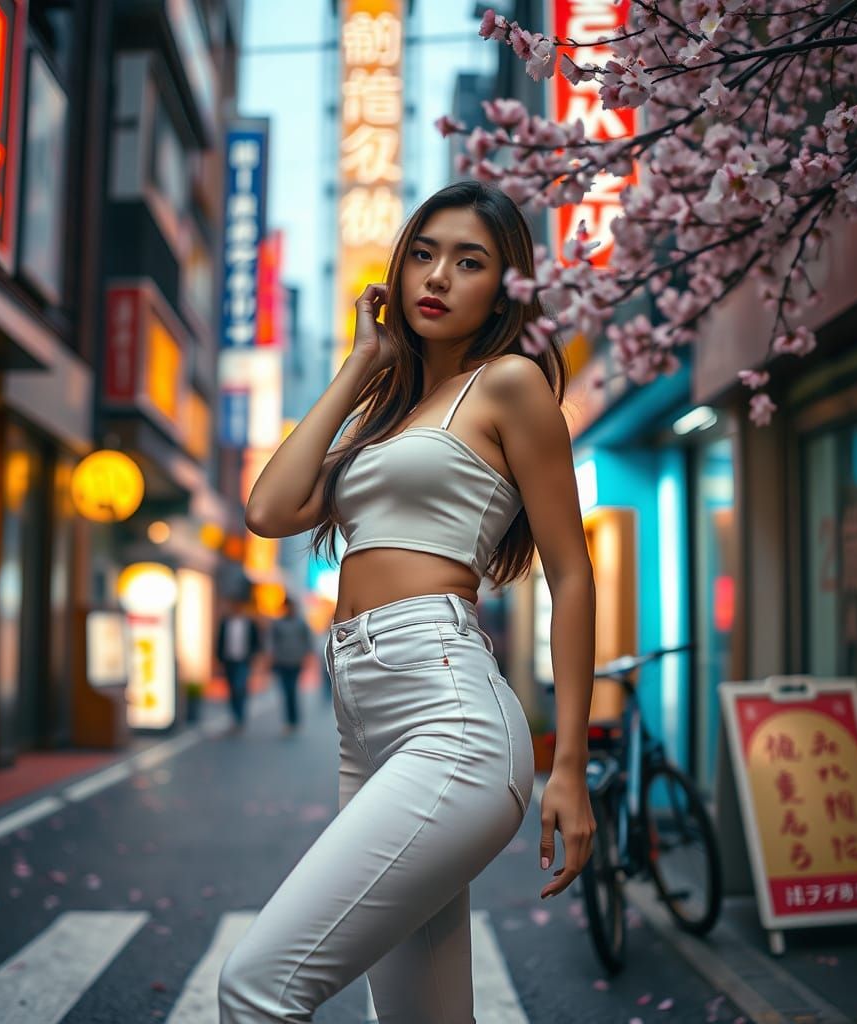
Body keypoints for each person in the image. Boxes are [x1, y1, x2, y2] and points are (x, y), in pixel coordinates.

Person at [218, 180, 597, 1023]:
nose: (437, 277)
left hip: (450, 714)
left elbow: (571, 573)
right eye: (423, 254)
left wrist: (566, 763)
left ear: (504, 288)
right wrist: (361, 365)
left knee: (256, 986)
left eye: (470, 262)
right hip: (366, 727)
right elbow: (270, 510)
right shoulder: (387, 415)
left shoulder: (508, 386)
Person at [215, 597, 264, 735]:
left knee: (239, 687)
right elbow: (220, 641)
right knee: (231, 689)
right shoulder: (225, 623)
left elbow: (256, 642)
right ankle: (235, 716)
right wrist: (219, 660)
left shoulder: (249, 623)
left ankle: (240, 717)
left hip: (244, 660)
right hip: (229, 660)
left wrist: (254, 657)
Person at [267, 595, 314, 734]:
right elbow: (271, 642)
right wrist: (271, 656)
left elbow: (307, 641)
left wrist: (307, 657)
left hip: (296, 661)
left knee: (292, 689)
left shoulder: (301, 623)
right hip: (281, 661)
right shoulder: (277, 624)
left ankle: (293, 720)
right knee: (286, 691)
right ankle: (289, 720)